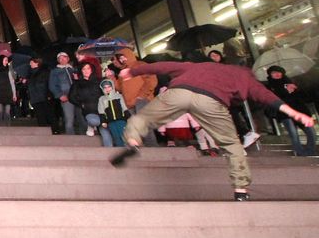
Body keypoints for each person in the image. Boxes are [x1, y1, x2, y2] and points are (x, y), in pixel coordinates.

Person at [112, 59, 315, 200]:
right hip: (211, 101)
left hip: (179, 92)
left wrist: (132, 71)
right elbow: (265, 96)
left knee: (142, 118)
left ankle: (133, 142)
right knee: (231, 144)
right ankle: (240, 188)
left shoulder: (198, 66)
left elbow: (163, 66)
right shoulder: (243, 77)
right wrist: (294, 113)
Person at [264, 65, 316, 157]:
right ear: (270, 74)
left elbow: (304, 97)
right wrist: (286, 91)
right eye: (274, 73)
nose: (277, 74)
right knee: (294, 134)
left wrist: (297, 89)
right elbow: (274, 99)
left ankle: (310, 151)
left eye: (279, 72)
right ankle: (300, 153)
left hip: (301, 112)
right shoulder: (270, 86)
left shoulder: (290, 81)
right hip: (285, 114)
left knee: (311, 132)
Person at [114, 48, 158, 145]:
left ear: (129, 55)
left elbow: (151, 80)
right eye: (120, 58)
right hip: (130, 103)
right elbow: (119, 88)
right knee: (138, 128)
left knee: (144, 126)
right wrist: (111, 77)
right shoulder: (123, 72)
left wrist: (142, 96)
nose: (122, 60)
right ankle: (148, 151)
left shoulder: (140, 65)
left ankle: (154, 150)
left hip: (142, 100)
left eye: (123, 57)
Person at [70, 62, 107, 144]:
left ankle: (109, 149)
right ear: (81, 71)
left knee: (105, 132)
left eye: (88, 68)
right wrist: (81, 104)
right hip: (87, 109)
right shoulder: (77, 84)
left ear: (92, 70)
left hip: (101, 109)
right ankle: (91, 126)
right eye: (84, 69)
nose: (86, 71)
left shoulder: (100, 81)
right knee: (94, 122)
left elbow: (108, 92)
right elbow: (72, 97)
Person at [48, 51, 77, 134]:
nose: (62, 59)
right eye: (60, 58)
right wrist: (59, 95)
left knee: (81, 118)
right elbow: (52, 85)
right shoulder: (55, 71)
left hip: (77, 95)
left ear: (68, 58)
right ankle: (71, 140)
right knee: (69, 119)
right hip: (66, 95)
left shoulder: (73, 69)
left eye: (64, 57)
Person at [96, 78, 129, 149]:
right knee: (115, 136)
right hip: (110, 121)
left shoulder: (118, 96)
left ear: (112, 87)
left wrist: (128, 118)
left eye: (109, 87)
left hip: (121, 120)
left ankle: (127, 149)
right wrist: (103, 121)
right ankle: (119, 149)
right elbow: (101, 111)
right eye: (105, 87)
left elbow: (124, 108)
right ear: (102, 89)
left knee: (123, 134)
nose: (107, 89)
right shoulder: (102, 99)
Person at [27, 57, 54, 128]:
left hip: (43, 96)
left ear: (37, 63)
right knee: (39, 115)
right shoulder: (30, 73)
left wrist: (48, 94)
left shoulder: (44, 72)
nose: (30, 64)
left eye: (31, 62)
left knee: (47, 114)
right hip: (35, 97)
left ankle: (53, 129)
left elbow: (47, 83)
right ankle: (43, 130)